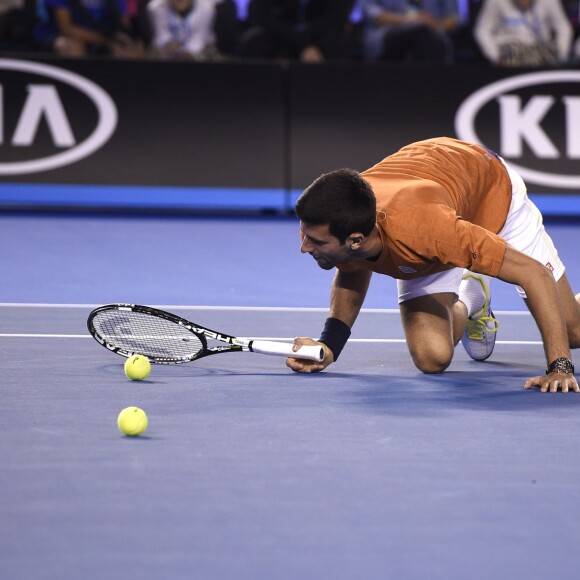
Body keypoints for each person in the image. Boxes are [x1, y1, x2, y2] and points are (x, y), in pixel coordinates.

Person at [286, 137, 580, 394]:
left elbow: (534, 273)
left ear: (355, 240)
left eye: (316, 241)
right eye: (304, 233)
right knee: (432, 358)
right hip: (434, 192)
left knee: (573, 333)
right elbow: (352, 269)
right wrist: (329, 346)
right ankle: (471, 300)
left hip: (489, 191)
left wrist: (560, 366)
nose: (304, 247)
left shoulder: (426, 229)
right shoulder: (353, 215)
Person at [240, 0, 355, 63]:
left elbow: (336, 17)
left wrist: (306, 43)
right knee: (256, 42)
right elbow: (261, 15)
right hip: (281, 33)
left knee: (338, 44)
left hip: (319, 35)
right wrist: (301, 42)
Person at [473, 0, 573, 67]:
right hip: (509, 49)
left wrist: (562, 56)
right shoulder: (495, 2)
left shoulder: (550, 1)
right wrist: (495, 56)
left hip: (539, 49)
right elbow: (482, 30)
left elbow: (563, 27)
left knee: (551, 51)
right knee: (510, 51)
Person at [359, 0, 460, 63]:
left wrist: (436, 25)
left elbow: (454, 19)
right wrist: (412, 20)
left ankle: (431, 89)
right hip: (386, 35)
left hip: (433, 35)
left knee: (423, 33)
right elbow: (374, 15)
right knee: (419, 30)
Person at [34, 0, 145, 56]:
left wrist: (127, 41)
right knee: (73, 46)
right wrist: (106, 41)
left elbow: (124, 23)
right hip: (57, 36)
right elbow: (66, 28)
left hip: (104, 36)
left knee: (128, 47)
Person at [147, 0, 239, 60]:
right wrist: (168, 45)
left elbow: (199, 38)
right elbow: (162, 36)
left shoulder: (206, 7)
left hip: (202, 51)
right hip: (168, 52)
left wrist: (187, 51)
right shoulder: (156, 7)